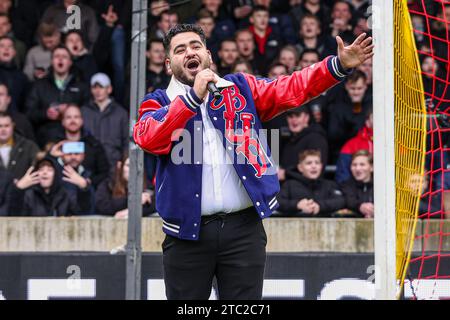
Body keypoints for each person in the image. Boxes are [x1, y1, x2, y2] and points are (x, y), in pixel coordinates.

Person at [133, 24, 373, 299]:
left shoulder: (240, 88)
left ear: (208, 55)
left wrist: (337, 66)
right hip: (186, 236)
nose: (189, 52)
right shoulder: (157, 102)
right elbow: (148, 138)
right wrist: (191, 99)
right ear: (168, 64)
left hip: (243, 231)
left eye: (195, 46)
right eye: (180, 50)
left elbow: (292, 88)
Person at [25, 46, 89, 147]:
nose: (60, 59)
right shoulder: (39, 85)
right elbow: (29, 113)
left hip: (75, 140)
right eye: (56, 56)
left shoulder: (81, 85)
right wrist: (45, 114)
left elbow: (89, 112)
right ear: (51, 62)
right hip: (47, 139)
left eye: (64, 57)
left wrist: (70, 110)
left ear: (70, 62)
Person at [48, 104, 110, 188]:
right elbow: (44, 170)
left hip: (89, 193)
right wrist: (51, 156)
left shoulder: (93, 144)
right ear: (62, 121)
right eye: (68, 117)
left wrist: (88, 182)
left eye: (76, 117)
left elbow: (105, 172)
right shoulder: (56, 144)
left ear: (82, 120)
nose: (72, 120)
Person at [7, 156, 91, 216]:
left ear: (56, 174)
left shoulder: (66, 195)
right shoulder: (29, 196)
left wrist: (84, 188)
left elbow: (83, 213)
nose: (44, 172)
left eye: (49, 170)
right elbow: (14, 216)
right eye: (41, 169)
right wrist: (18, 189)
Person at [277, 149, 346, 217]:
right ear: (300, 167)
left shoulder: (330, 185)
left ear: (321, 166)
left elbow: (341, 200)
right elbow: (277, 202)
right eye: (309, 163)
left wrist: (319, 206)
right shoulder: (289, 185)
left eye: (317, 163)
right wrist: (297, 205)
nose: (314, 166)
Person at [81, 73, 128, 168]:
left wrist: (124, 161)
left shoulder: (121, 112)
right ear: (91, 90)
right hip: (89, 164)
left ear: (109, 89)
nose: (98, 91)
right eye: (95, 87)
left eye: (101, 87)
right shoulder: (83, 111)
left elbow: (127, 140)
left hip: (114, 163)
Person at [279, 105, 328, 181]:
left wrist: (286, 174)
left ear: (306, 117)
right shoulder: (287, 139)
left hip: (308, 189)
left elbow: (315, 170)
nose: (294, 120)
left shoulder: (316, 139)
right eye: (290, 116)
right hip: (288, 187)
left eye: (298, 116)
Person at [50, 140, 95, 215]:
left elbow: (89, 208)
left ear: (83, 156)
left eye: (77, 154)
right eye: (69, 154)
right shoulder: (55, 172)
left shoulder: (88, 175)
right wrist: (51, 156)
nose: (73, 157)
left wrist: (84, 187)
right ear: (62, 155)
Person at [335, 109, 373, 183]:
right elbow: (343, 176)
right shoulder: (351, 145)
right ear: (367, 122)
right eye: (375, 117)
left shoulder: (396, 142)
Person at [0, 112, 39, 180]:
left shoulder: (29, 146)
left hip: (24, 189)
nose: (3, 130)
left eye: (6, 126)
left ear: (13, 126)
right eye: (0, 126)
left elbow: (36, 169)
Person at [339, 149, 374, 218]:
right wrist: (360, 207)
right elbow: (347, 200)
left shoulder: (381, 186)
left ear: (371, 167)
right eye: (354, 165)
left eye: (362, 164)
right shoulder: (345, 186)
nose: (357, 168)